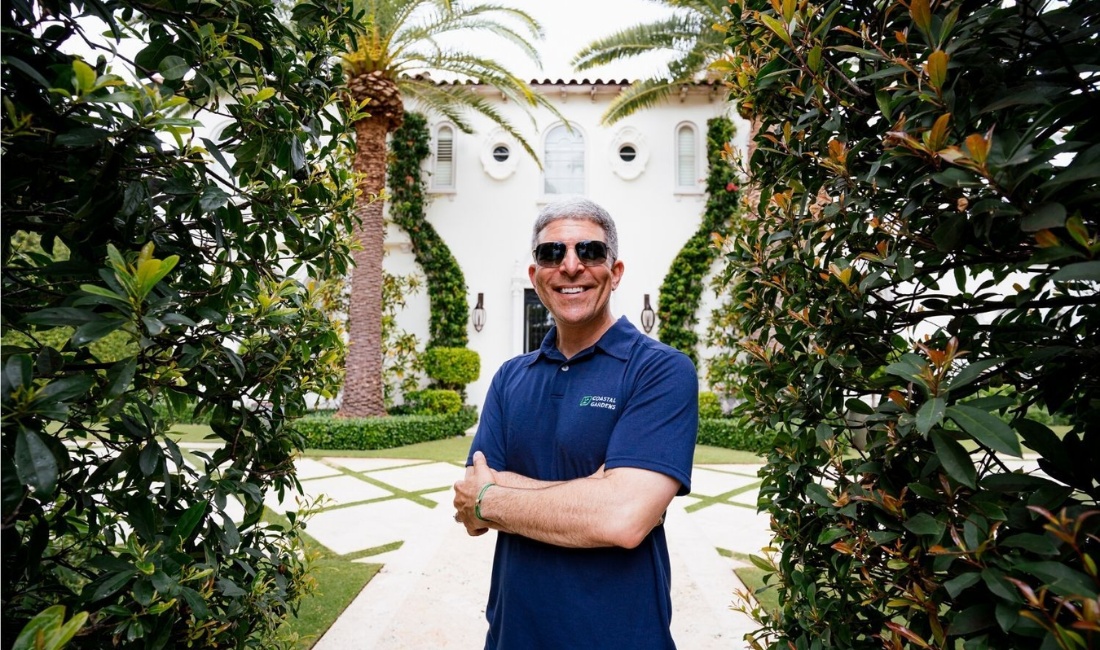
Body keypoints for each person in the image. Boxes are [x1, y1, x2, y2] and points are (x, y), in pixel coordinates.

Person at [452, 197, 699, 649]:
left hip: (622, 636)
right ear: (535, 275)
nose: (571, 266)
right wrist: (599, 489)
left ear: (615, 271)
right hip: (513, 635)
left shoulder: (660, 370)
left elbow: (624, 519)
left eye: (590, 251)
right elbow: (472, 510)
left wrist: (495, 495)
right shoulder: (510, 377)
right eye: (552, 253)